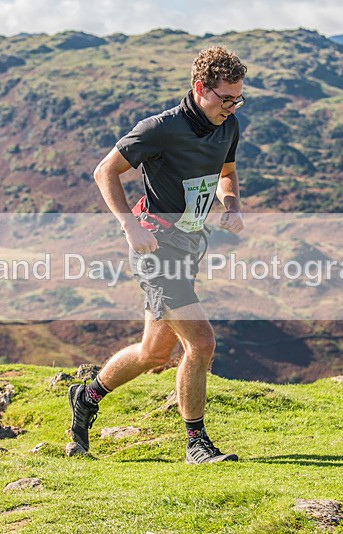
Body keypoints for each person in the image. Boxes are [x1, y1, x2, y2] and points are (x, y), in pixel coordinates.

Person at [68, 45, 247, 464]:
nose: (231, 107)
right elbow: (105, 171)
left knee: (153, 353)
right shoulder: (160, 128)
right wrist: (128, 226)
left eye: (238, 99)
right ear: (200, 88)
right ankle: (196, 443)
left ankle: (86, 396)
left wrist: (232, 204)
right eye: (225, 98)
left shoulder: (228, 126)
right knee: (201, 342)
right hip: (154, 245)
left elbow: (227, 174)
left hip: (187, 246)